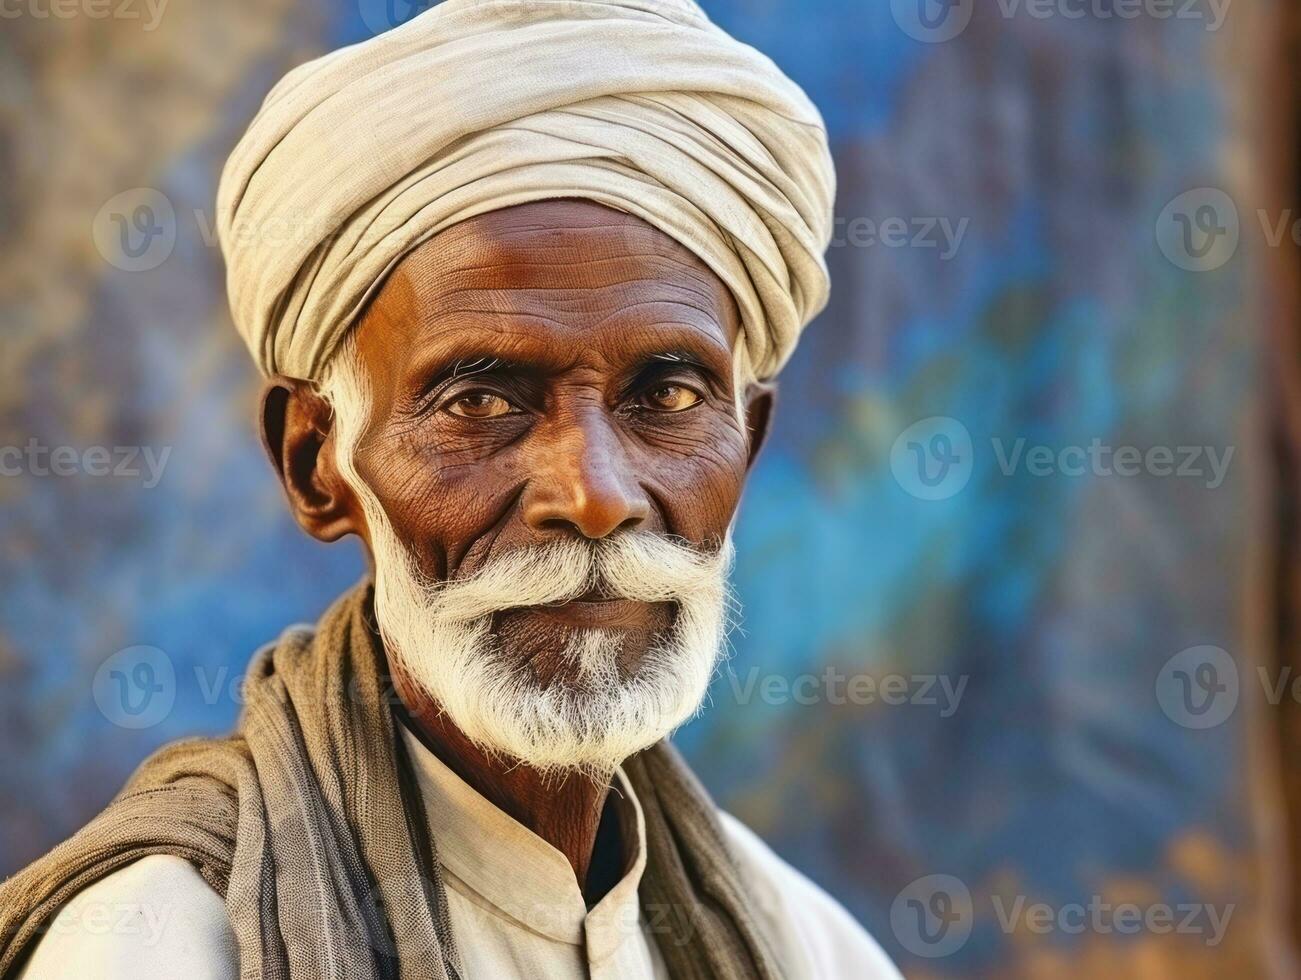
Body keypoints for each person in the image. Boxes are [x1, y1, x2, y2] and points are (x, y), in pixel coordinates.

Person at [0, 1, 900, 977]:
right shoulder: (162, 945)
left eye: (667, 394)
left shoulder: (800, 947)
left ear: (750, 442)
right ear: (317, 463)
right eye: (478, 401)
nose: (593, 496)